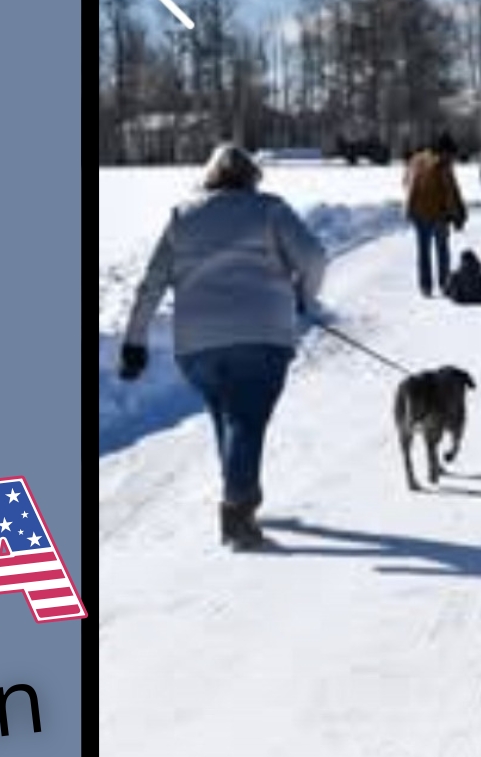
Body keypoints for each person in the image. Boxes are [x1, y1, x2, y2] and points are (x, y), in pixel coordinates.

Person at [117, 143, 329, 551]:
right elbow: (314, 259)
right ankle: (237, 513)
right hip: (260, 336)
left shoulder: (182, 217)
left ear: (210, 177)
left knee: (229, 418)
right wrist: (304, 297)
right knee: (246, 421)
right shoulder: (269, 210)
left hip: (197, 345)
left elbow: (152, 283)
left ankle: (242, 494)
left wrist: (134, 341)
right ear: (252, 177)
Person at [403, 131, 468, 297]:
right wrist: (458, 215)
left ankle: (425, 286)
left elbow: (406, 182)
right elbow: (450, 193)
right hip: (438, 214)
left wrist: (409, 208)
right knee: (442, 250)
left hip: (418, 213)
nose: (452, 158)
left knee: (423, 251)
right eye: (451, 154)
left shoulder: (416, 160)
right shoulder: (442, 165)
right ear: (444, 150)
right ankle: (444, 283)